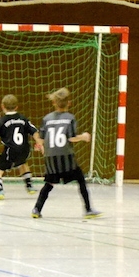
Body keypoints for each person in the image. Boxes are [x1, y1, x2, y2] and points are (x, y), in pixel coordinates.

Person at [31, 88, 101, 219]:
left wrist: (40, 147)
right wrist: (83, 137)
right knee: (80, 179)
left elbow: (41, 138)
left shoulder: (47, 119)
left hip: (50, 158)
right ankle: (88, 209)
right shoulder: (70, 118)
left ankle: (36, 209)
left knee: (49, 183)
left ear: (54, 103)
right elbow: (71, 138)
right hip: (66, 158)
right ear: (69, 103)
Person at [0, 94, 42, 200]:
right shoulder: (23, 119)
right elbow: (34, 131)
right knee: (23, 164)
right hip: (25, 149)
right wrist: (39, 143)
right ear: (17, 107)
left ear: (2, 106)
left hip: (10, 150)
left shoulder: (2, 121)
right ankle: (30, 186)